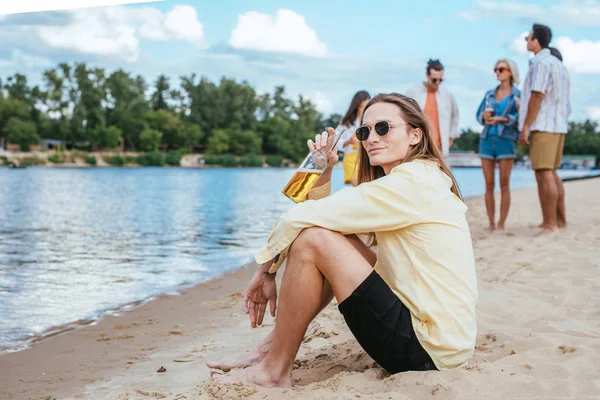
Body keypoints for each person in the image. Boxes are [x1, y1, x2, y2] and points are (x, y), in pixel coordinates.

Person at [208, 93, 478, 388]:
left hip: (426, 351)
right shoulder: (419, 177)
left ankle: (273, 370)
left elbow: (301, 221)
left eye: (384, 128)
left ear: (415, 135)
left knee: (313, 239)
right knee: (327, 237)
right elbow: (329, 225)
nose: (371, 138)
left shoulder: (410, 183)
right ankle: (266, 352)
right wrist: (323, 171)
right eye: (365, 131)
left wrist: (264, 271)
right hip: (444, 344)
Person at [519, 23, 571, 236]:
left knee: (544, 173)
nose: (526, 41)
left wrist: (526, 126)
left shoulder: (541, 64)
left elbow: (537, 96)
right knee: (552, 172)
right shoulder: (559, 65)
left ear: (536, 40)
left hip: (543, 125)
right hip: (558, 125)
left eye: (528, 37)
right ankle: (559, 221)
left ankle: (550, 224)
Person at [475, 59, 521, 232]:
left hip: (506, 140)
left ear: (510, 72)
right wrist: (485, 118)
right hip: (487, 140)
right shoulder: (489, 94)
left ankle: (501, 224)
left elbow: (520, 117)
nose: (497, 72)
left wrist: (503, 119)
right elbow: (479, 115)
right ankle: (491, 223)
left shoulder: (517, 95)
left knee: (504, 184)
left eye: (501, 69)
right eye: (496, 69)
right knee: (488, 184)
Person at [406, 59, 460, 158]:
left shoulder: (447, 94)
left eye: (441, 80)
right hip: (418, 147)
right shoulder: (413, 92)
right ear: (427, 75)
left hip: (440, 149)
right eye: (434, 80)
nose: (437, 83)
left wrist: (451, 136)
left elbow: (455, 114)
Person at [337, 91, 371, 185]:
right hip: (351, 157)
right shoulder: (345, 122)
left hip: (367, 156)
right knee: (358, 186)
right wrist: (348, 142)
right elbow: (335, 141)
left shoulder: (371, 119)